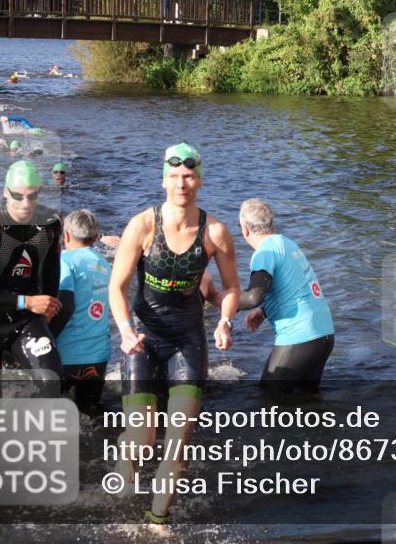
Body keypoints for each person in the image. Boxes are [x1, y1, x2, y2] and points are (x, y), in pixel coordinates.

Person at [109, 142, 240, 527]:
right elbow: (117, 287)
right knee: (142, 439)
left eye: (189, 176)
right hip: (144, 338)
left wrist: (225, 320)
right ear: (163, 180)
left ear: (199, 180)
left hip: (187, 339)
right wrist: (124, 330)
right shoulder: (143, 225)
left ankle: (157, 522)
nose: (181, 183)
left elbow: (231, 288)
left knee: (178, 439)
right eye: (174, 176)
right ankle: (125, 456)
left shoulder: (215, 231)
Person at [0, 161, 63, 397]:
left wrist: (47, 307)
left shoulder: (50, 224)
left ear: (40, 192)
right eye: (18, 196)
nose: (25, 203)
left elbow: (50, 274)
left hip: (25, 322)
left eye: (32, 195)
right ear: (5, 193)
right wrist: (26, 302)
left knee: (52, 384)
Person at [238, 199, 335, 393]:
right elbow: (297, 287)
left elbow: (253, 297)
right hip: (324, 335)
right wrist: (264, 312)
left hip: (299, 338)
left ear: (245, 229)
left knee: (268, 401)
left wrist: (219, 299)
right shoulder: (288, 244)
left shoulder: (264, 252)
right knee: (307, 404)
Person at [52, 209, 112, 415]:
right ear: (96, 237)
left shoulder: (65, 261)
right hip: (98, 356)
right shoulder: (104, 263)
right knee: (89, 413)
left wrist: (47, 339)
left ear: (66, 235)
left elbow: (65, 305)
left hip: (66, 356)